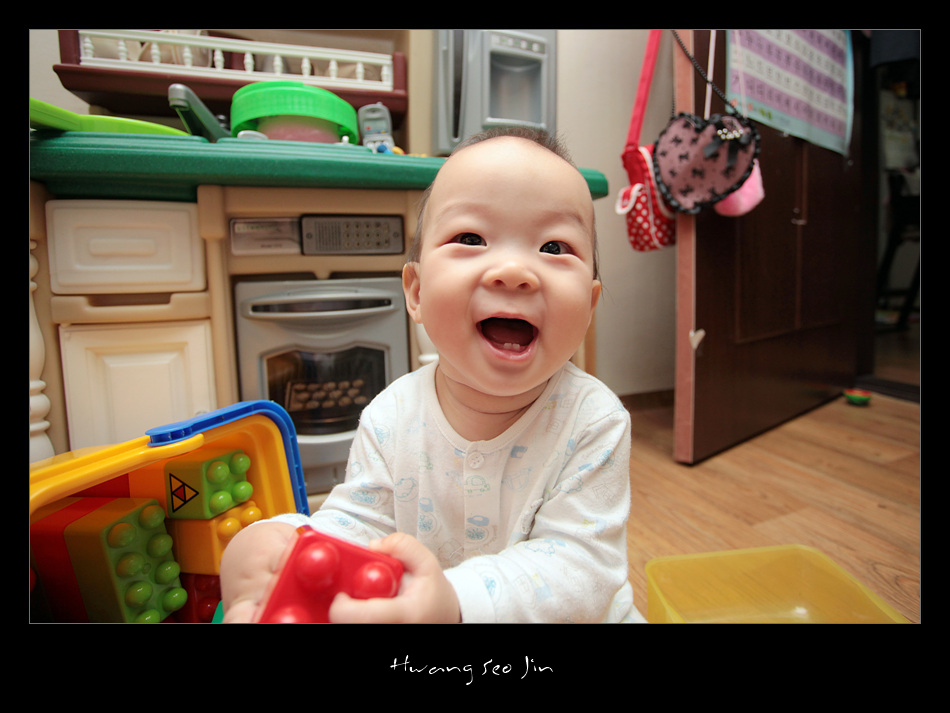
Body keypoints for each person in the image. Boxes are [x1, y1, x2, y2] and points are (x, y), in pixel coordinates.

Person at [219, 127, 642, 623]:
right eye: (471, 239)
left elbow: (581, 568)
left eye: (553, 247)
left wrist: (456, 601)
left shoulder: (593, 421)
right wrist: (288, 546)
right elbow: (359, 525)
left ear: (589, 305)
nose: (513, 271)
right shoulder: (391, 418)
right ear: (416, 292)